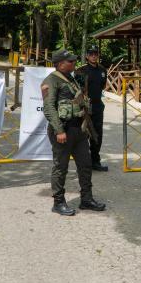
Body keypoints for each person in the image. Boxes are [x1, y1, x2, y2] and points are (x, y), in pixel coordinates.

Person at [42, 48, 106, 216]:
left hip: (79, 130)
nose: (74, 63)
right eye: (70, 61)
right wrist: (59, 130)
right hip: (63, 130)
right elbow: (48, 108)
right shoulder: (51, 80)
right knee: (60, 167)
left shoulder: (72, 78)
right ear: (60, 64)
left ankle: (86, 199)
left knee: (85, 165)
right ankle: (58, 202)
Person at [77, 45, 108, 171]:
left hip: (97, 106)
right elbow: (76, 89)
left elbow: (102, 86)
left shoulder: (102, 70)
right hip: (84, 107)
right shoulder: (81, 70)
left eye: (96, 53)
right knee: (83, 135)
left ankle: (95, 161)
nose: (94, 56)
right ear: (87, 56)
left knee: (97, 135)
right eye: (91, 54)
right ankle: (84, 163)